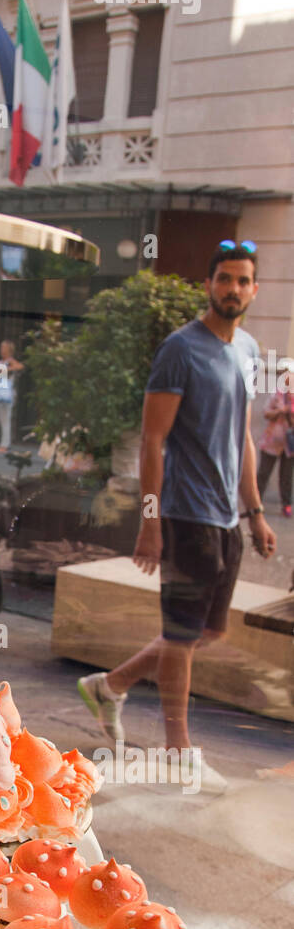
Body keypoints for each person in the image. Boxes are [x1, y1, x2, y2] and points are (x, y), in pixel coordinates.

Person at [77, 241, 276, 791]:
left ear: (253, 290)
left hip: (227, 517)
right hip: (185, 514)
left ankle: (110, 685)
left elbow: (243, 438)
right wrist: (150, 520)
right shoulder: (180, 350)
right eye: (224, 279)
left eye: (242, 281)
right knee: (182, 637)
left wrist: (255, 511)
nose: (233, 289)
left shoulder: (248, 350)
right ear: (209, 285)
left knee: (208, 630)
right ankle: (177, 752)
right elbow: (153, 440)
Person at [256, 362, 293, 517]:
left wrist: (288, 411)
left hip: (289, 444)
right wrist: (278, 411)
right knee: (263, 472)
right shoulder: (276, 394)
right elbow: (266, 412)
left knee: (286, 476)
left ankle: (286, 504)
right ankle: (256, 502)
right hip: (272, 441)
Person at [0, 340, 24, 452]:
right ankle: (3, 443)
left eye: (4, 348)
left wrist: (6, 370)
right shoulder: (0, 362)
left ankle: (5, 444)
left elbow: (19, 366)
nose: (2, 350)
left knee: (6, 418)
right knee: (1, 418)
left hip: (7, 393)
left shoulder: (10, 361)